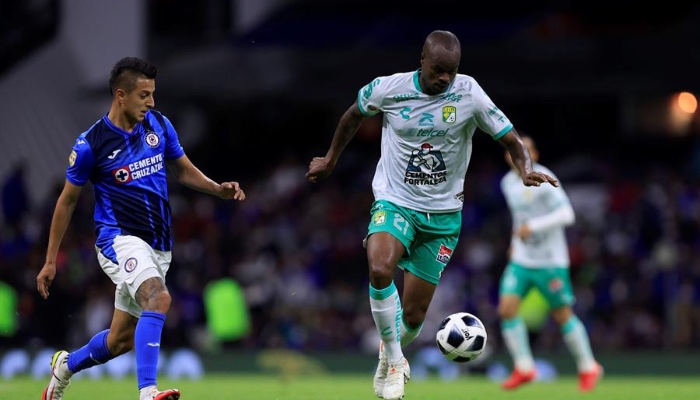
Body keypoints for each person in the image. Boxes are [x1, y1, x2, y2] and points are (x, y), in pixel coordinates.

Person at [305, 30, 558, 400]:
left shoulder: (469, 93)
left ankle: (388, 352)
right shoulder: (389, 88)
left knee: (412, 317)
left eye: (451, 71)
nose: (445, 78)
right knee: (380, 268)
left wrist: (525, 168)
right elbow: (353, 115)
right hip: (395, 201)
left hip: (442, 215)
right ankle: (396, 361)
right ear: (422, 60)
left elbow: (509, 137)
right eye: (438, 70)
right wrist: (330, 159)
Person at [35, 57, 246, 400]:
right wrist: (49, 261)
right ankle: (148, 392)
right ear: (121, 95)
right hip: (119, 240)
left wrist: (216, 188)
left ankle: (65, 366)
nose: (151, 102)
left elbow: (183, 170)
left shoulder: (158, 125)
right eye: (144, 95)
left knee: (119, 341)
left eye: (152, 94)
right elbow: (66, 201)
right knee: (159, 298)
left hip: (158, 246)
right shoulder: (91, 144)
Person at [497, 135, 602, 391]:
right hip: (522, 259)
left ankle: (588, 366)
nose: (519, 155)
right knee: (507, 309)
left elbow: (567, 214)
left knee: (562, 314)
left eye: (526, 150)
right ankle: (524, 367)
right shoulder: (507, 183)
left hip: (550, 261)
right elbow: (519, 216)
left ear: (535, 155)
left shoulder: (545, 179)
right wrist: (515, 241)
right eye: (514, 151)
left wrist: (533, 227)